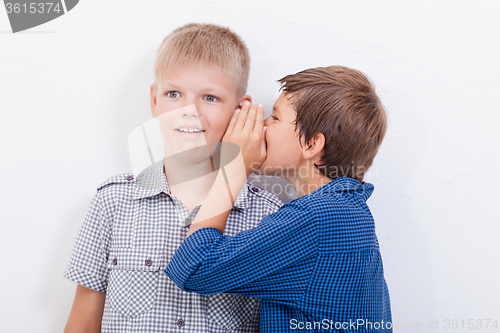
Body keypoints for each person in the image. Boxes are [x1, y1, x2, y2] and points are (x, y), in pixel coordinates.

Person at [63, 23, 282, 333]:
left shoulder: (268, 215)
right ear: (154, 100)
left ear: (240, 109)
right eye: (173, 94)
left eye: (210, 97)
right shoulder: (112, 202)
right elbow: (82, 324)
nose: (189, 111)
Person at [165, 66, 393, 332]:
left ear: (311, 145)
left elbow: (193, 267)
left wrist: (234, 167)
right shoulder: (346, 211)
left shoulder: (317, 219)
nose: (261, 126)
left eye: (274, 118)